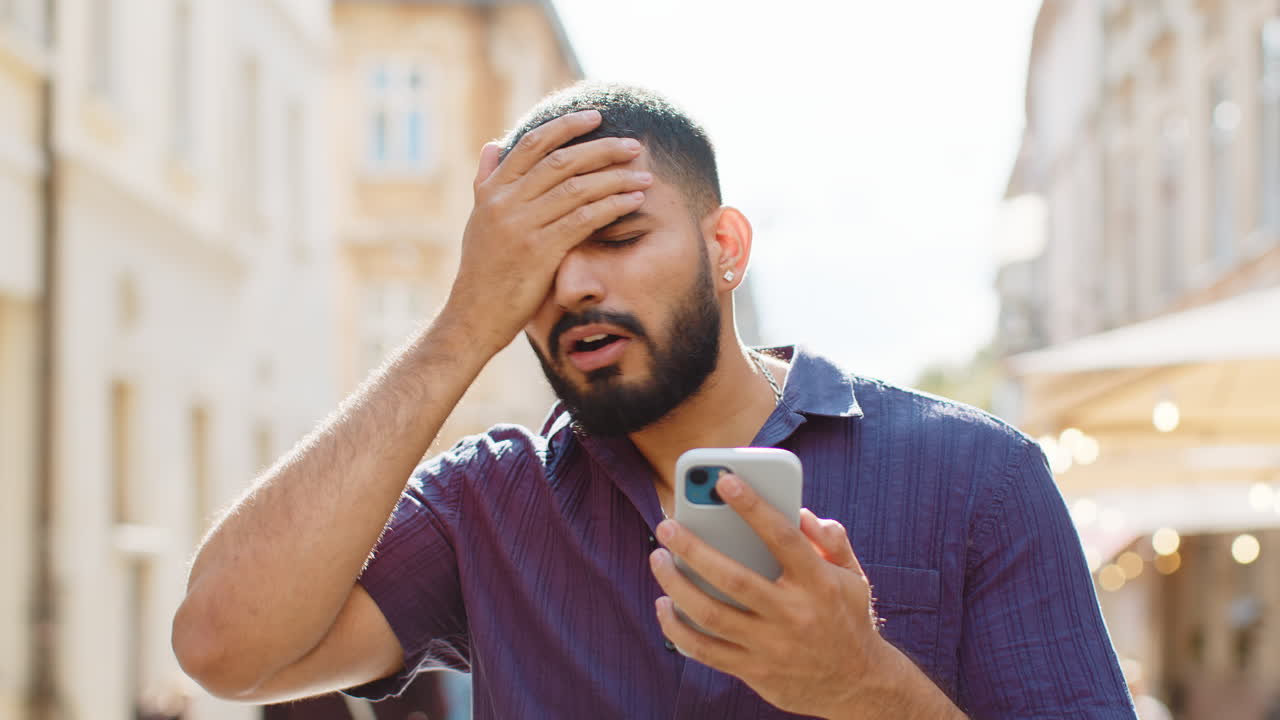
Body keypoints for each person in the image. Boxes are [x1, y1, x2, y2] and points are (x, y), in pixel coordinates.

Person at [172, 82, 1137, 719]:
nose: (576, 283)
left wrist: (869, 687)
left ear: (727, 248)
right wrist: (462, 323)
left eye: (619, 235)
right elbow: (224, 647)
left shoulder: (978, 477)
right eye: (538, 258)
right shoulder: (490, 505)